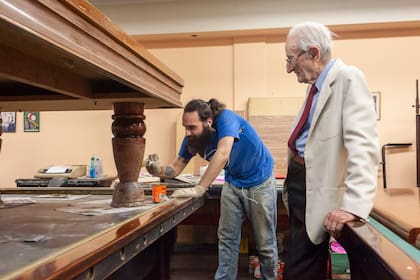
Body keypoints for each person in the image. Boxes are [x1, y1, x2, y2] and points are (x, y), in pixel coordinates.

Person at [283, 21, 379, 279]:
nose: (289, 68)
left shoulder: (348, 78)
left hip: (316, 190)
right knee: (302, 264)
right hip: (301, 187)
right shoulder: (316, 88)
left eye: (291, 59)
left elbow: (363, 146)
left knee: (299, 270)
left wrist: (354, 206)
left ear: (313, 53)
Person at [146, 98, 278, 279]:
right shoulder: (192, 139)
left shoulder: (226, 118)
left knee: (265, 243)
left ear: (208, 122)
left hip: (259, 181)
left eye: (192, 127)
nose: (187, 132)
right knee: (227, 240)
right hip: (233, 182)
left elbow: (223, 153)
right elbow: (176, 167)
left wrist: (200, 187)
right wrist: (157, 169)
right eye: (185, 127)